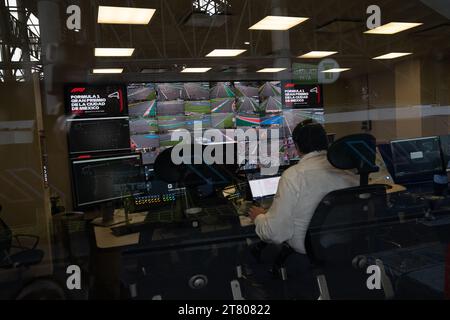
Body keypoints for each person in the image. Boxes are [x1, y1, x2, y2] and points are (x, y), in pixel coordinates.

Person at [249, 120, 359, 254]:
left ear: (297, 146)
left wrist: (259, 217)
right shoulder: (348, 172)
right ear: (327, 142)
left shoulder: (293, 176)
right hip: (349, 249)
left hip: (308, 254)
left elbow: (275, 233)